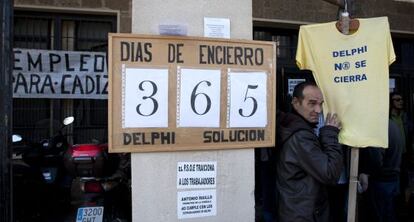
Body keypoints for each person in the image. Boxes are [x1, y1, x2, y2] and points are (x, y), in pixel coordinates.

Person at [275, 82, 344, 222]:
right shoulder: (301, 136)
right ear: (295, 102)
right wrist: (330, 134)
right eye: (312, 103)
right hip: (303, 215)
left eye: (321, 104)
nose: (318, 110)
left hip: (297, 211)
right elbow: (330, 173)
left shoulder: (292, 125)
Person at [358, 118, 404, 222]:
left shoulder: (378, 127)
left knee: (379, 216)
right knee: (389, 214)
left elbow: (376, 160)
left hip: (381, 183)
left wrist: (366, 173)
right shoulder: (392, 124)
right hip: (392, 180)